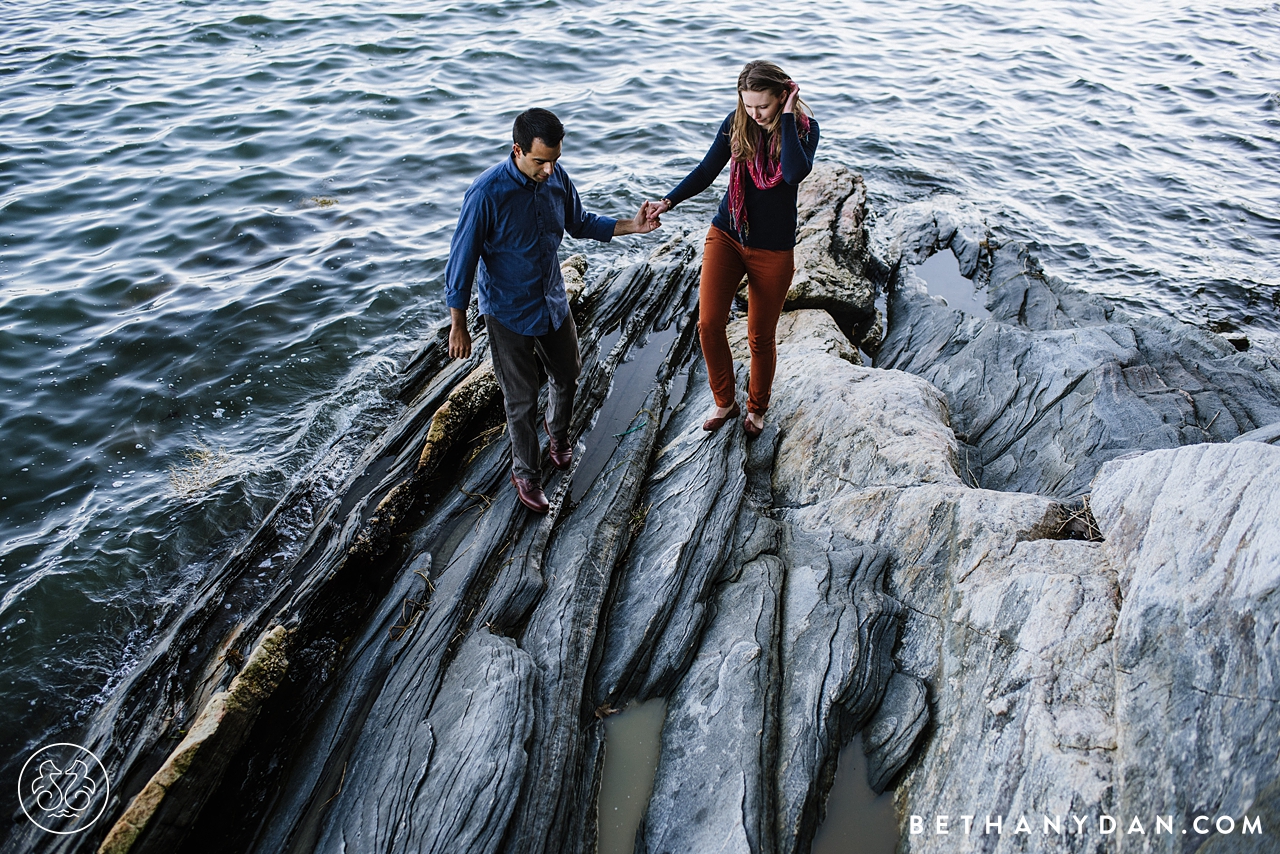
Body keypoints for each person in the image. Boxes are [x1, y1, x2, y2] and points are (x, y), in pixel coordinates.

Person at [445, 108, 660, 514]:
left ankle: (557, 434)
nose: (548, 170)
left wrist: (633, 226)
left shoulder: (556, 178)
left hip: (551, 300)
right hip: (507, 312)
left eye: (555, 160)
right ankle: (526, 472)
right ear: (517, 151)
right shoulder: (485, 194)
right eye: (540, 161)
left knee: (568, 373)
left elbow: (580, 223)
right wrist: (458, 323)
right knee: (520, 399)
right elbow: (462, 259)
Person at [649, 61, 819, 437]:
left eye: (764, 106)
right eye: (747, 104)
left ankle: (757, 409)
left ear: (783, 96)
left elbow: (792, 173)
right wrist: (668, 201)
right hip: (727, 233)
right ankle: (725, 402)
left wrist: (787, 117)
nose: (755, 114)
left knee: (760, 336)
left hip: (773, 249)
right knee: (709, 323)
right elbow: (706, 170)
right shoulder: (736, 122)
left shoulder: (804, 129)